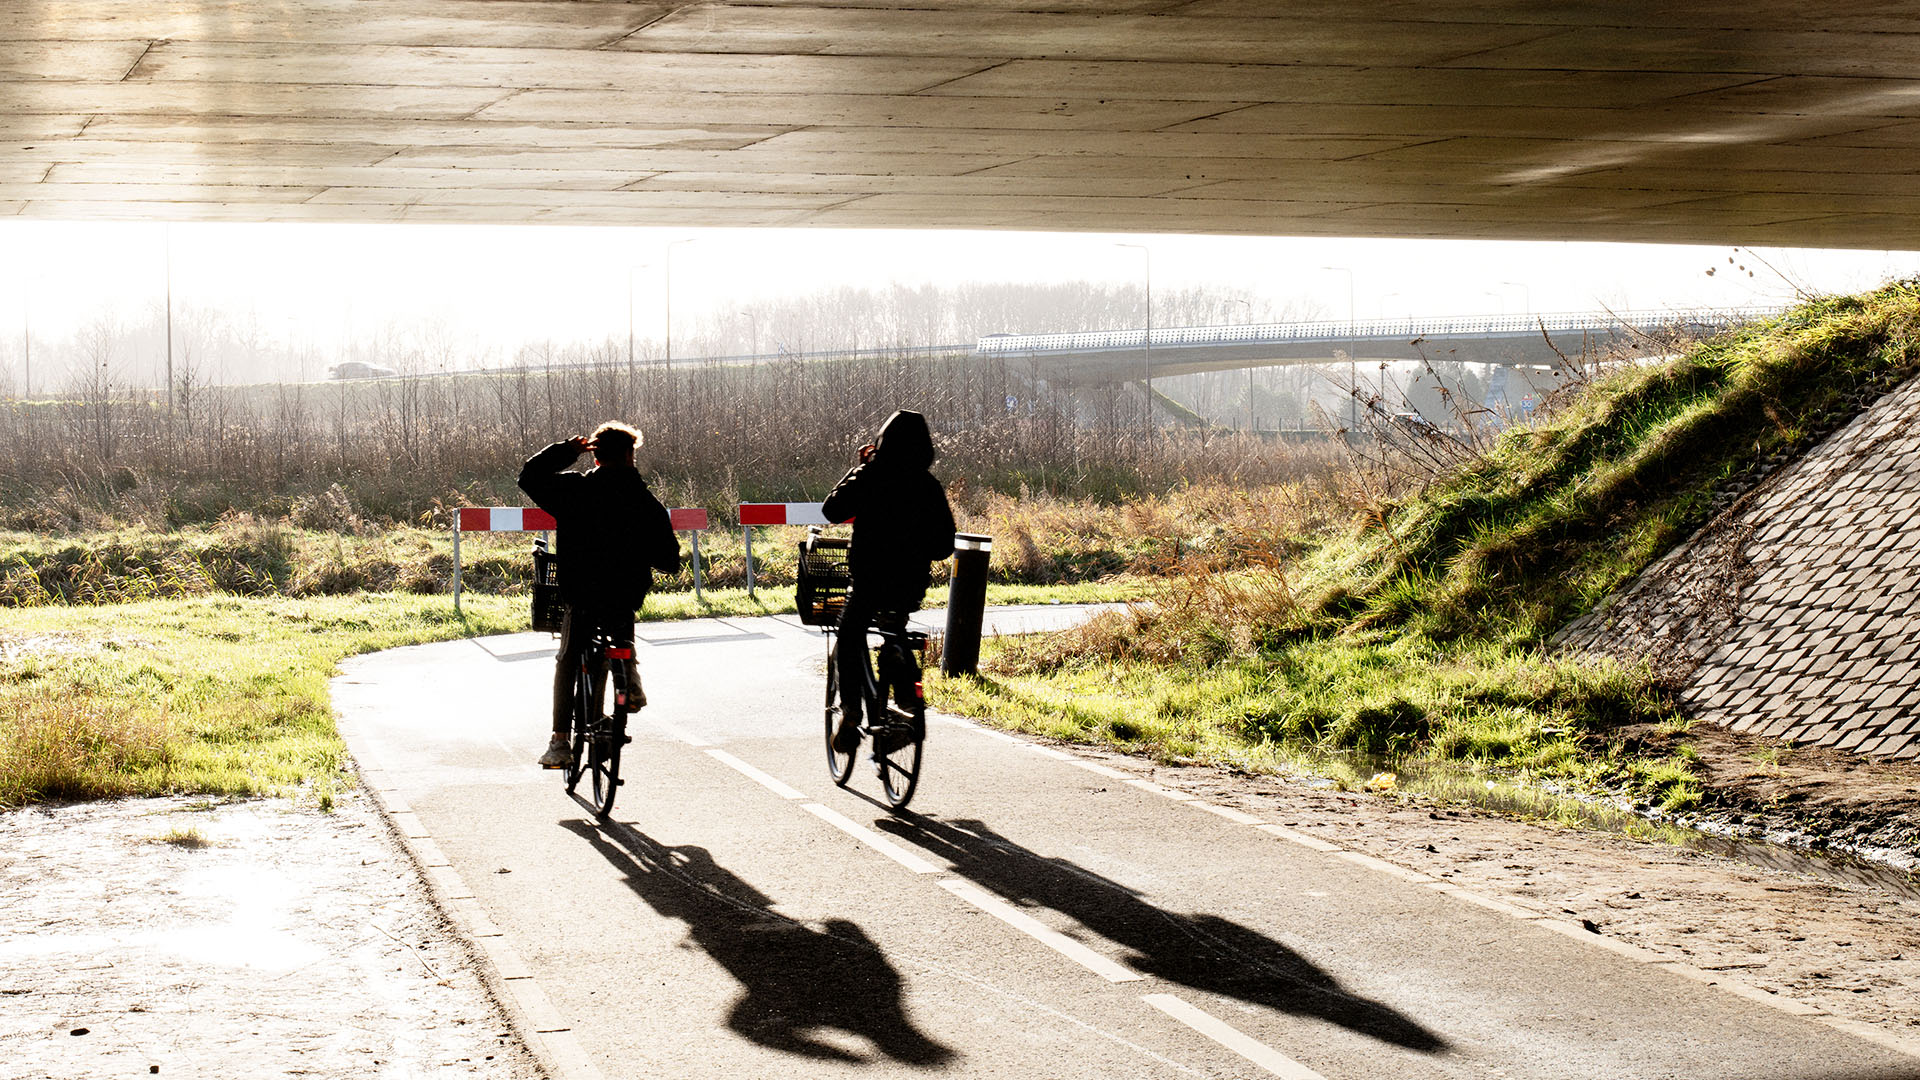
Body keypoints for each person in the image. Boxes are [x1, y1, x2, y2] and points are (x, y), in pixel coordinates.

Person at [519, 421, 680, 767]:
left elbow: (528, 477)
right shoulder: (644, 500)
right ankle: (629, 669)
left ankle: (560, 742)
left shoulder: (574, 491)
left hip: (582, 592)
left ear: (595, 458)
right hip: (626, 593)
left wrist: (566, 450)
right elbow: (670, 559)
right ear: (629, 456)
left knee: (567, 658)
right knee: (621, 617)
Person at [821, 410, 957, 752]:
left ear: (883, 442)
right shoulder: (929, 486)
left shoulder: (871, 475)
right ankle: (908, 709)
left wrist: (860, 468)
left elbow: (831, 510)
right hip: (909, 584)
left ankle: (851, 711)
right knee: (894, 634)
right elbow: (943, 546)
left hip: (869, 580)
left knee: (851, 635)